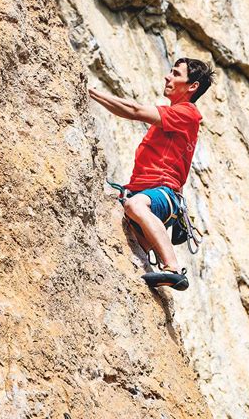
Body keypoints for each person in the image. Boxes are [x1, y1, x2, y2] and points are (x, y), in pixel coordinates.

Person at [89, 58, 214, 291]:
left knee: (135, 206)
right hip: (147, 192)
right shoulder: (175, 116)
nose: (168, 77)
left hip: (159, 193)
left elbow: (134, 111)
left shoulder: (187, 113)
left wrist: (89, 91)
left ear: (192, 86)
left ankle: (174, 269)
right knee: (131, 252)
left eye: (176, 74)